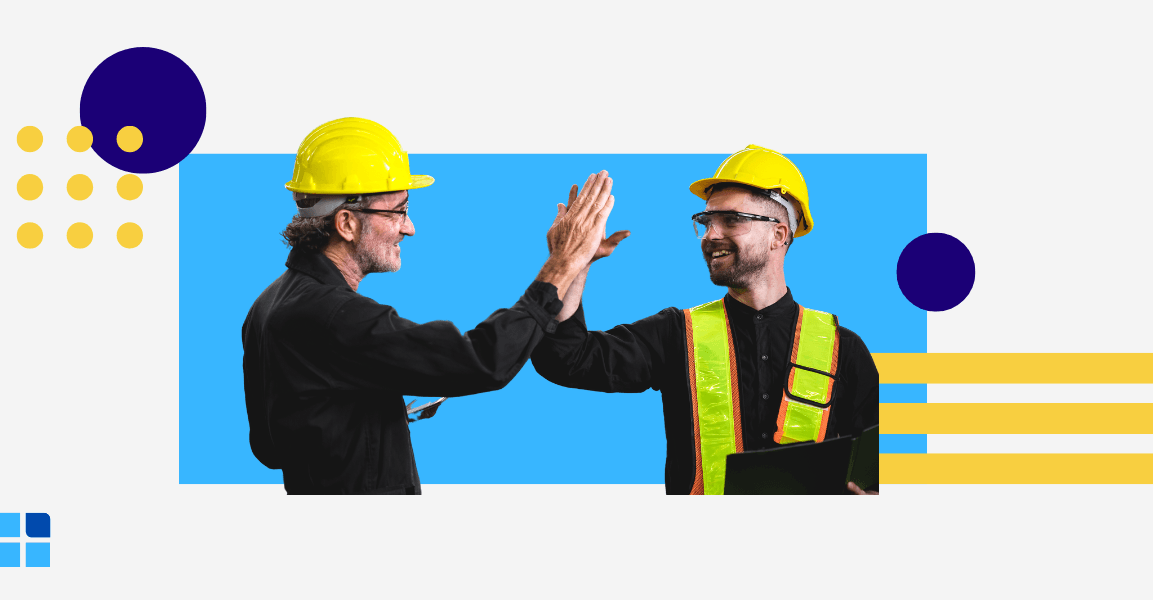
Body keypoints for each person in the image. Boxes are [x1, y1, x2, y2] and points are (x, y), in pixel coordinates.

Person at [242, 117, 618, 494]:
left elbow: (269, 448)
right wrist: (563, 262)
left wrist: (370, 415)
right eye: (398, 211)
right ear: (347, 223)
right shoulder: (335, 316)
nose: (409, 227)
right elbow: (486, 361)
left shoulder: (268, 305)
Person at [531, 145, 880, 495]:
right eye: (706, 221)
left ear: (779, 234)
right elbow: (566, 359)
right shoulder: (676, 334)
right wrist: (571, 263)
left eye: (732, 220)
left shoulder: (843, 349)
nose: (711, 235)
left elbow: (879, 467)